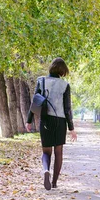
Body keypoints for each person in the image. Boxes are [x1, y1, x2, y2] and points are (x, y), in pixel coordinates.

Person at [26, 58, 77, 190]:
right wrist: (71, 128)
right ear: (63, 71)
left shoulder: (41, 81)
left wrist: (29, 120)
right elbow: (67, 108)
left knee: (46, 151)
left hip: (46, 119)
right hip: (60, 121)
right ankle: (54, 183)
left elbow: (35, 102)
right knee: (58, 152)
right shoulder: (65, 85)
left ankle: (45, 170)